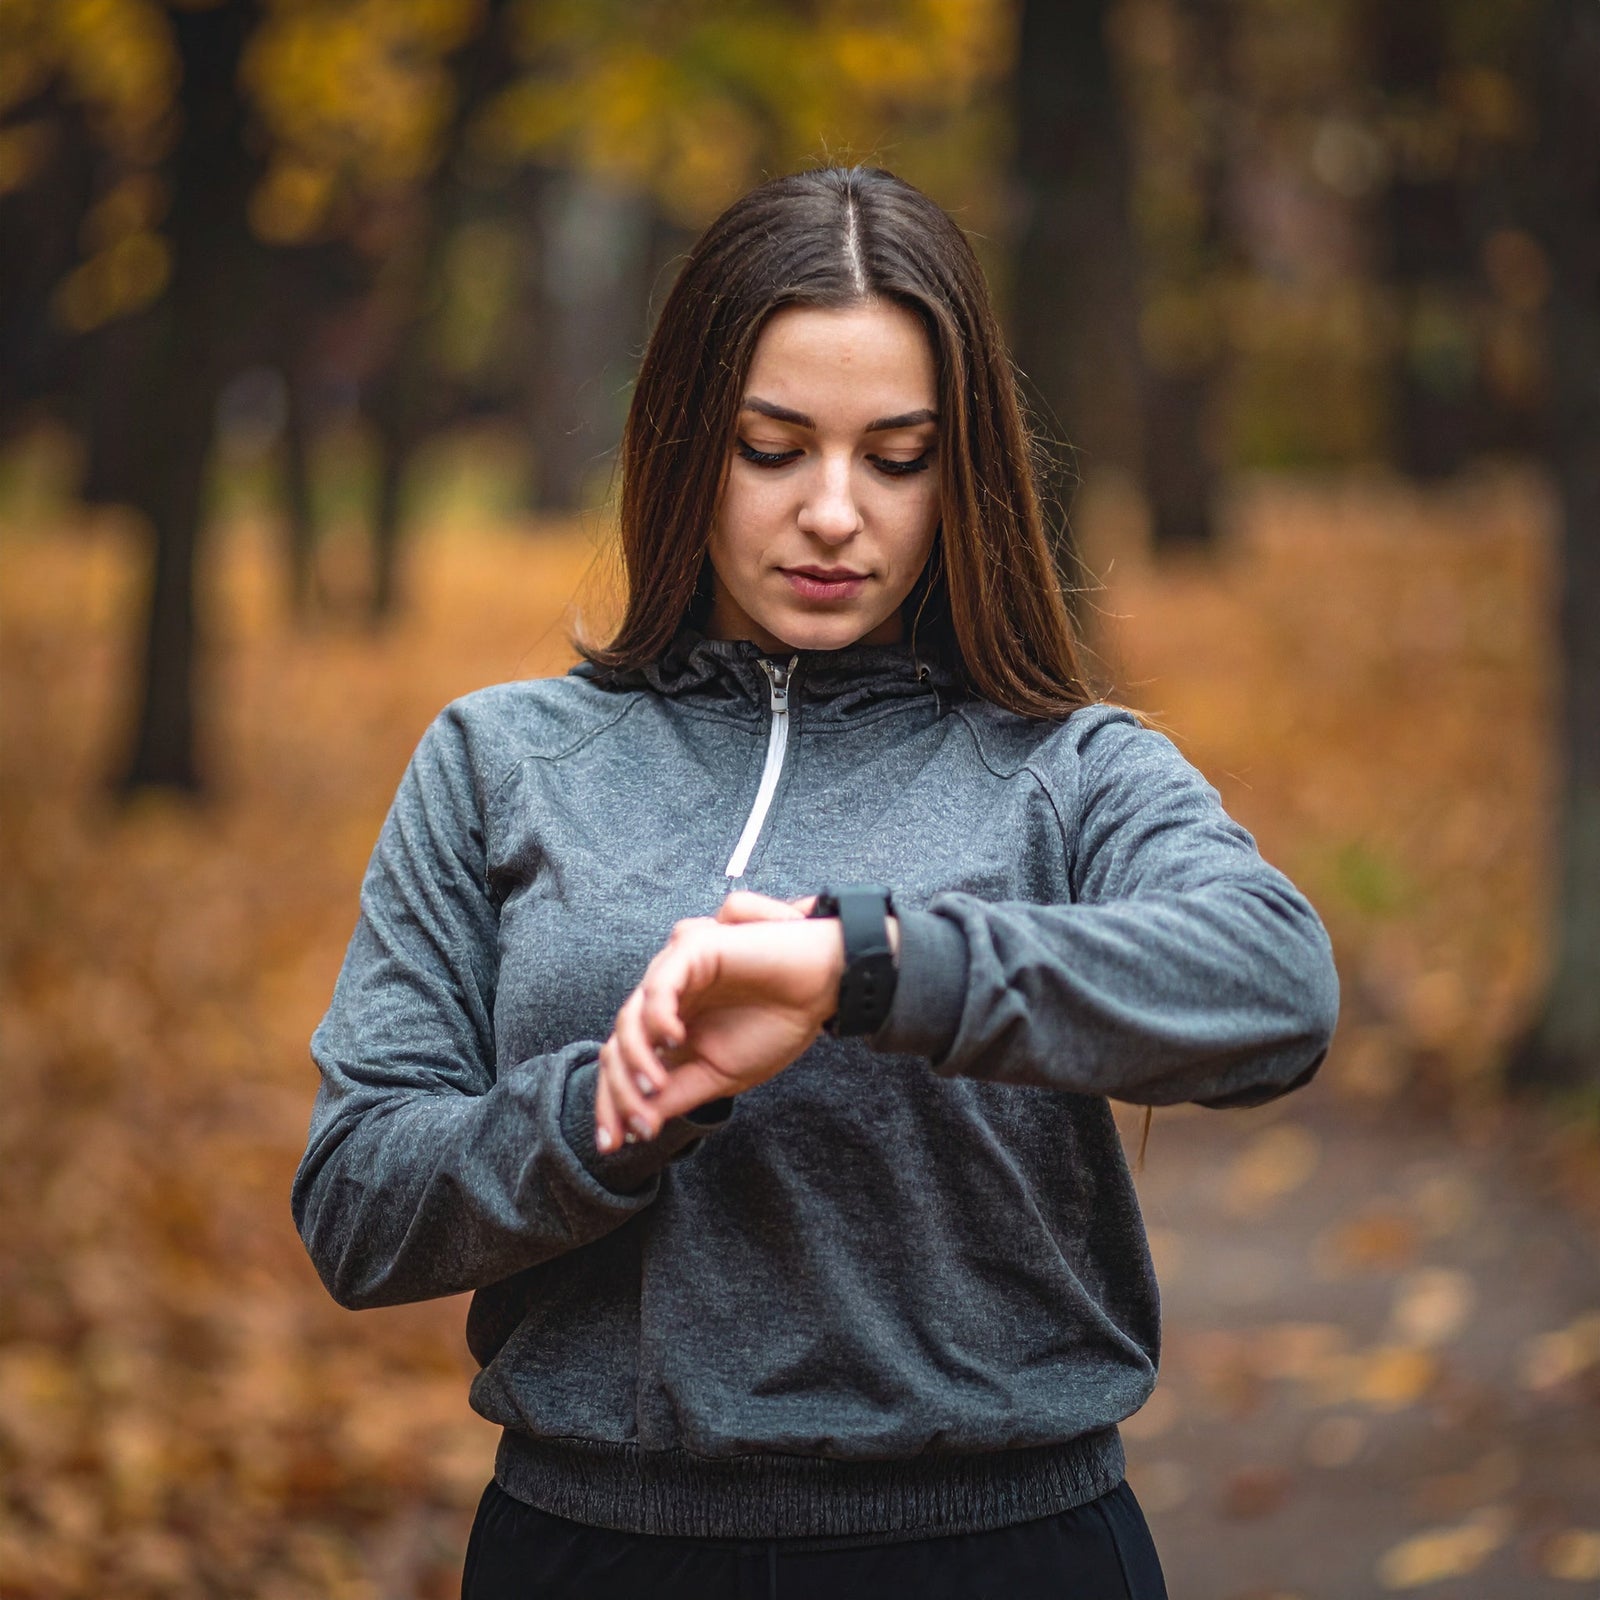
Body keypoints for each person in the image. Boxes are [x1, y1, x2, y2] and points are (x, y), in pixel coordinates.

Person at [293, 165, 1339, 1600]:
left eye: (896, 457)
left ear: (959, 470)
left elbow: (1276, 989)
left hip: (1006, 1553)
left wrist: (875, 966)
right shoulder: (502, 761)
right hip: (594, 1552)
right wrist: (616, 1111)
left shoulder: (1068, 769)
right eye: (773, 448)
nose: (835, 513)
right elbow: (358, 1201)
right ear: (680, 446)